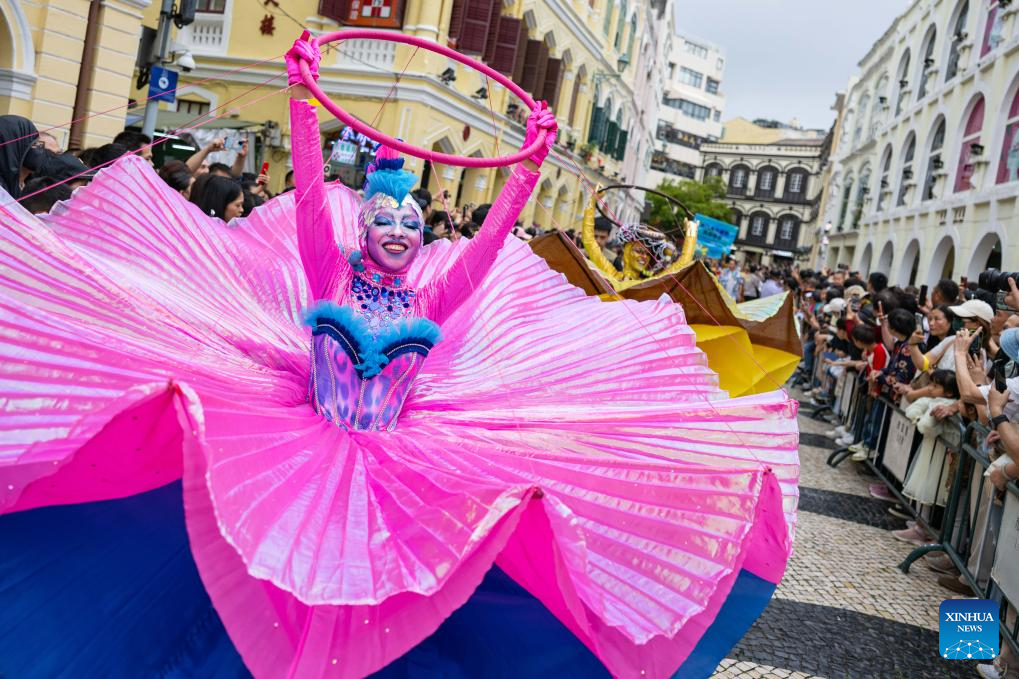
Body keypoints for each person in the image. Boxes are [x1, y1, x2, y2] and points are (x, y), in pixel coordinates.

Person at [0, 34, 799, 678]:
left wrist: (522, 174)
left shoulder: (430, 300)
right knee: (260, 581)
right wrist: (303, 99)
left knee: (387, 603)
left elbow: (486, 250)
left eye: (412, 219)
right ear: (363, 228)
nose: (400, 226)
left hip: (398, 468)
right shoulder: (326, 266)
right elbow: (311, 189)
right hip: (295, 451)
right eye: (386, 214)